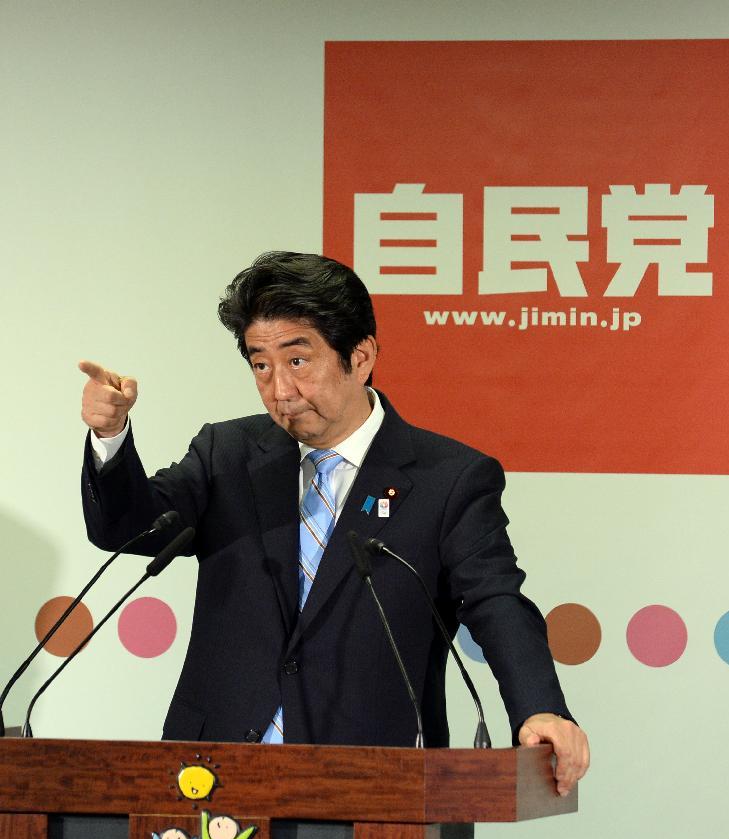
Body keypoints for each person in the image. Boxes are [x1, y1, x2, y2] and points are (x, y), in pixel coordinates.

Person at [80, 251, 589, 796]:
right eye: (260, 364)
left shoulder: (449, 479)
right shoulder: (226, 455)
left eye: (298, 361)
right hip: (212, 775)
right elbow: (130, 530)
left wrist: (540, 708)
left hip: (374, 779)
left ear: (361, 355)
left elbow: (495, 601)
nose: (280, 390)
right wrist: (110, 439)